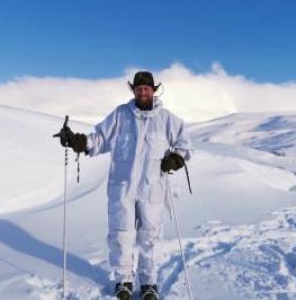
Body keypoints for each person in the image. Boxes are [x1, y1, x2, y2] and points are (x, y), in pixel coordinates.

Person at [55, 71, 193, 300]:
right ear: (133, 90)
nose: (142, 92)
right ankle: (123, 280)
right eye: (138, 88)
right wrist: (77, 141)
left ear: (154, 90)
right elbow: (98, 139)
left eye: (146, 88)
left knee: (149, 237)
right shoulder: (120, 115)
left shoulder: (168, 119)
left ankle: (148, 282)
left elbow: (185, 144)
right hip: (122, 187)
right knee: (121, 235)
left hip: (152, 188)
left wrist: (176, 159)